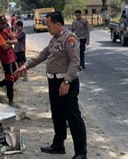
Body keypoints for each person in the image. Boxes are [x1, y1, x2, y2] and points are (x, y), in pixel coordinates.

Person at [16, 11, 87, 159]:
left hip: (66, 83)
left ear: (58, 24)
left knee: (73, 118)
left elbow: (75, 62)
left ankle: (81, 153)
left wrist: (67, 81)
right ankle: (58, 145)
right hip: (53, 82)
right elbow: (43, 54)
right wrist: (26, 66)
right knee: (57, 115)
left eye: (48, 25)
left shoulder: (69, 39)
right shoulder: (54, 39)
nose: (47, 28)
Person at [0, 15, 19, 106]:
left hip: (12, 56)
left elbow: (16, 41)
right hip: (5, 59)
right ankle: (10, 100)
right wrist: (9, 42)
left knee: (15, 76)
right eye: (2, 23)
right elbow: (4, 47)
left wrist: (8, 42)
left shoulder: (8, 31)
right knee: (10, 79)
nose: (4, 25)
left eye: (5, 23)